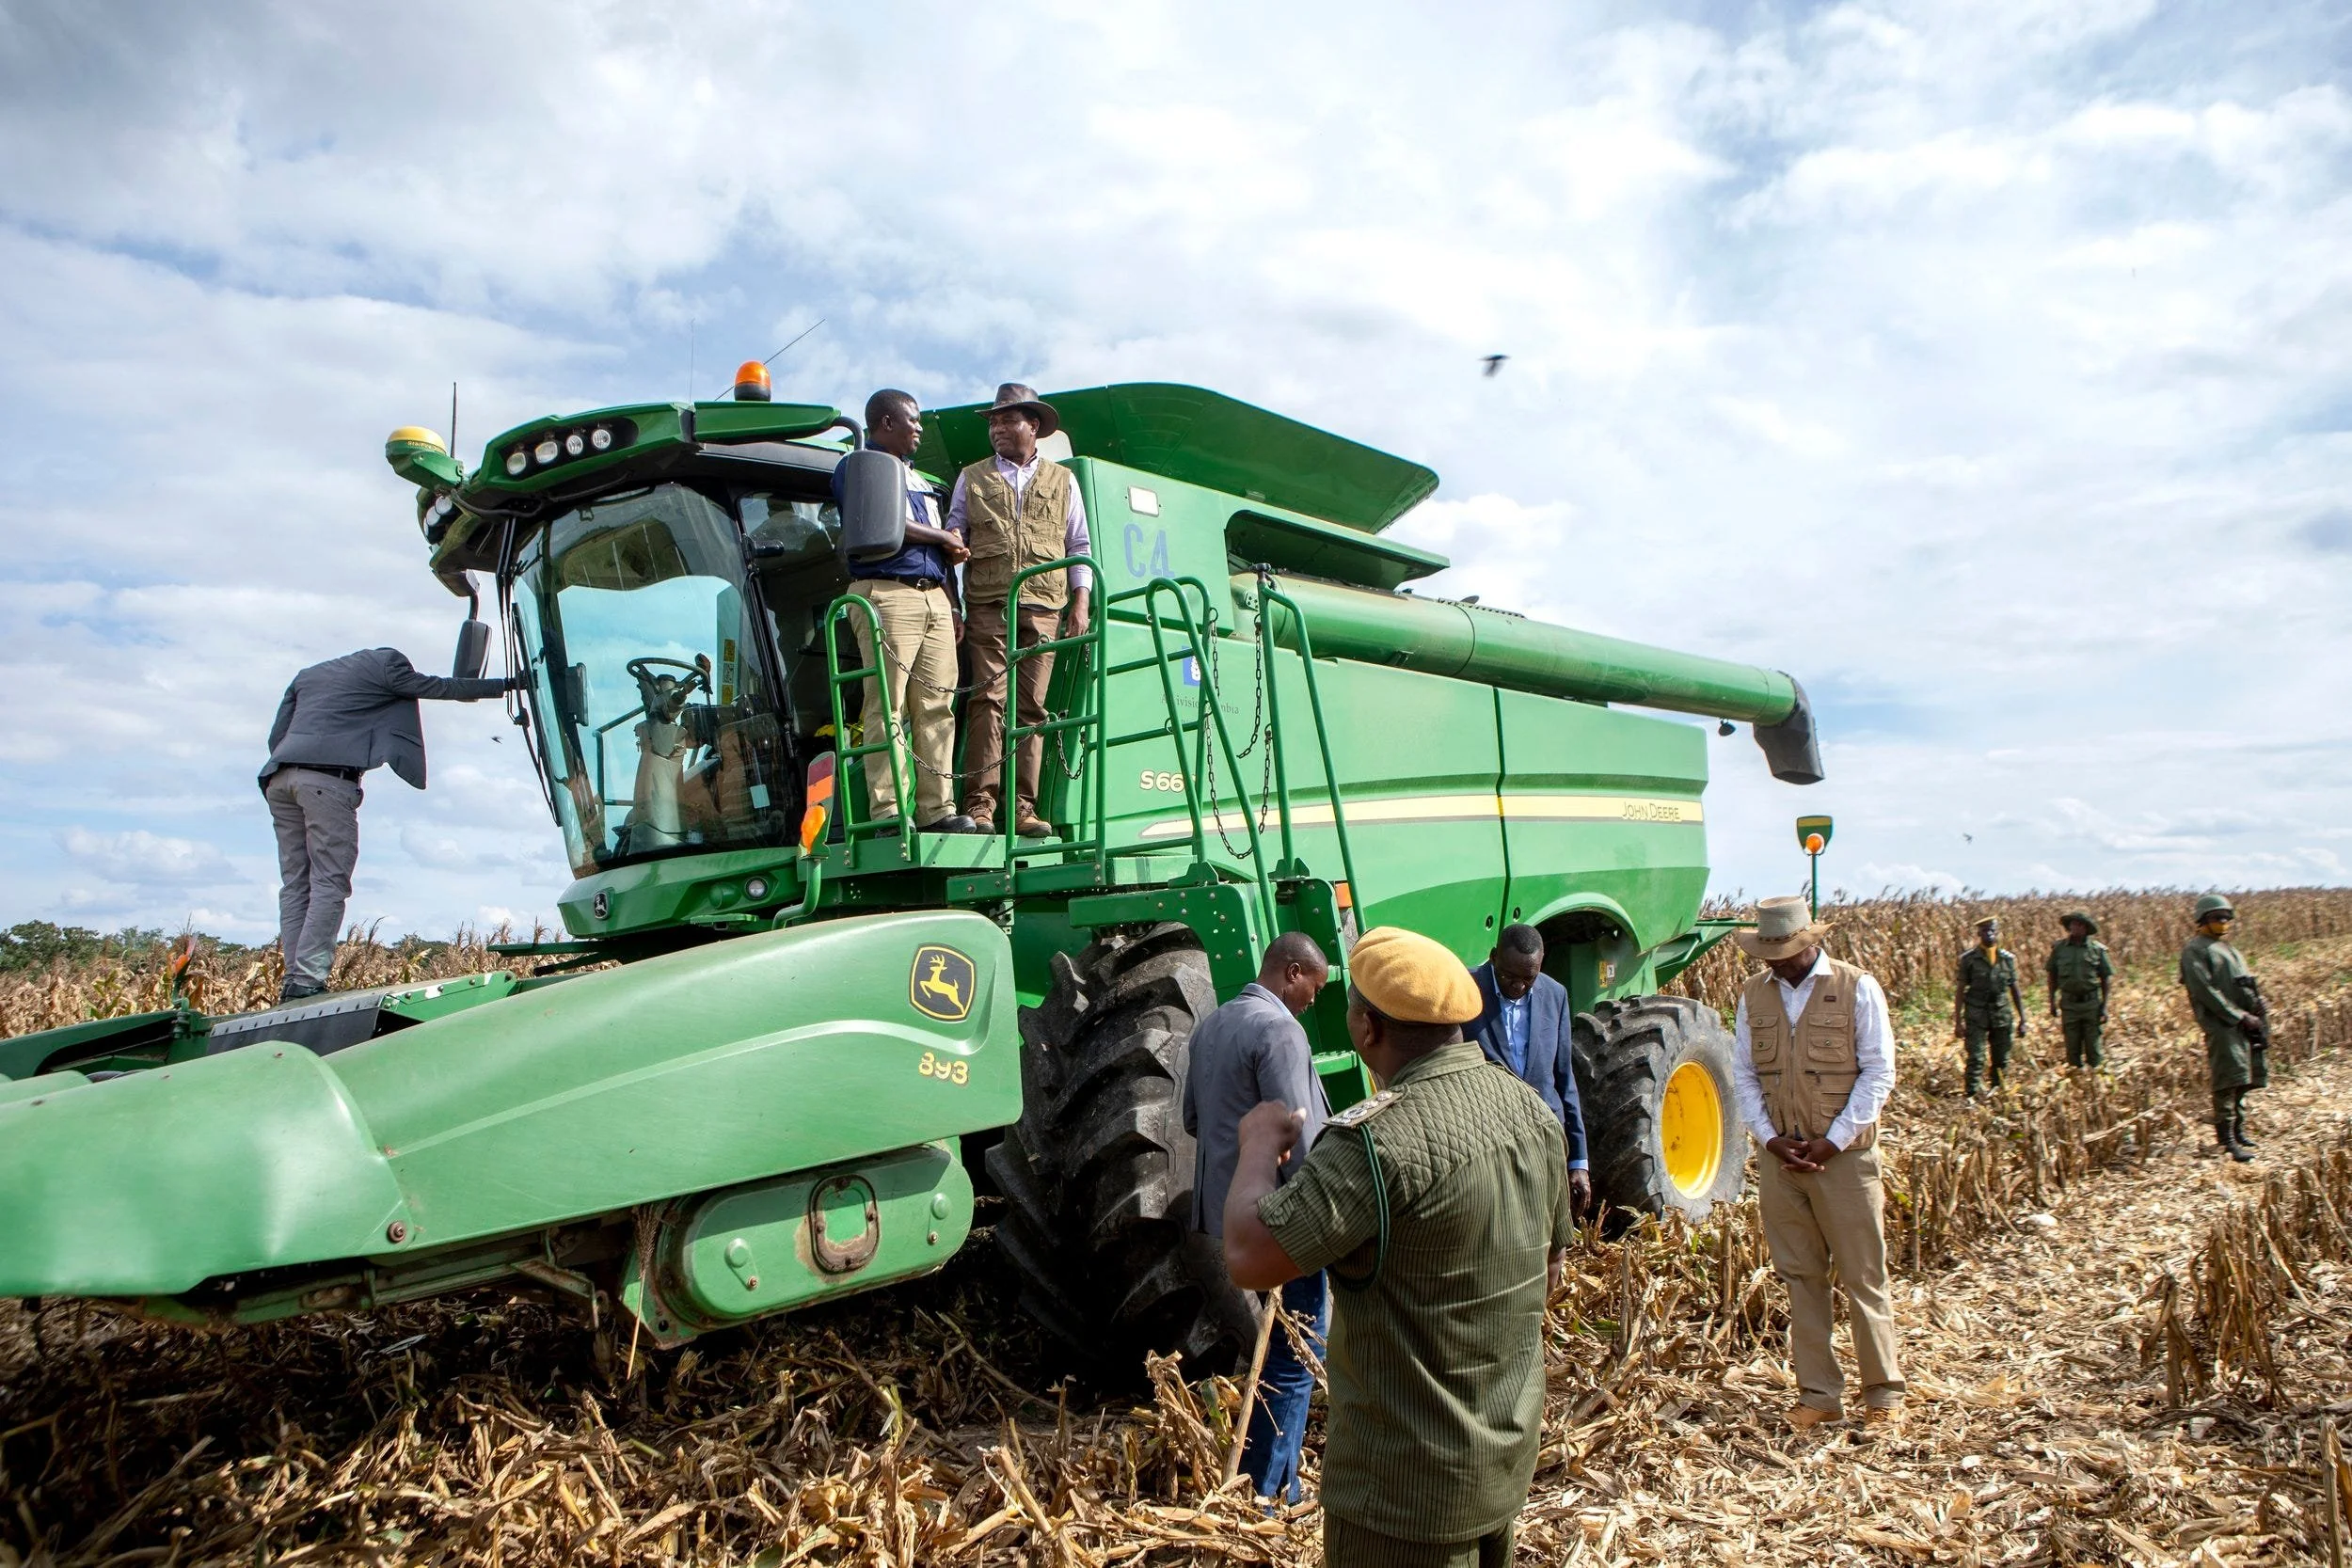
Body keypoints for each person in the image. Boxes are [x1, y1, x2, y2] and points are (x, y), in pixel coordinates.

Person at [1222, 927, 1574, 1567]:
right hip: (1501, 1466)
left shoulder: (1372, 1145)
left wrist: (1255, 1145)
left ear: (1366, 1028)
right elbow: (1549, 1271)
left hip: (1403, 1499)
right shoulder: (1533, 1115)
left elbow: (1248, 1255)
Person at [1729, 895, 1904, 1430]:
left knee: (1862, 1276)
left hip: (1844, 1161)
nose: (1775, 962)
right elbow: (1744, 1075)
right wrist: (1768, 1139)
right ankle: (1820, 1396)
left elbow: (1879, 1072)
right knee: (1801, 1277)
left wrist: (1834, 1139)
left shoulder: (1857, 987)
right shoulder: (1754, 995)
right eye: (1768, 953)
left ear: (1812, 943)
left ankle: (1883, 1395)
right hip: (1783, 1161)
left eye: (1785, 951)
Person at [260, 648, 513, 1001]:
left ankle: (293, 979)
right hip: (327, 781)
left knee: (296, 884)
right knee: (329, 881)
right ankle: (306, 979)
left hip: (279, 779)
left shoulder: (309, 675)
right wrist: (507, 685)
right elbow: (438, 687)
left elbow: (278, 737)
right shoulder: (387, 665)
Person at [1180, 931, 1333, 1503]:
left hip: (1227, 1211)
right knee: (1299, 1349)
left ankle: (1260, 1471)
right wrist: (1323, 1216)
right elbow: (1298, 1134)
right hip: (1282, 1214)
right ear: (1292, 971)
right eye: (1311, 991)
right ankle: (1272, 1490)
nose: (1311, 1004)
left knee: (1272, 1345)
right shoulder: (1280, 1031)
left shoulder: (1212, 1025)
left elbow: (1194, 1120)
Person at [944, 383, 1092, 838]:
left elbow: (1079, 545)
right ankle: (981, 806)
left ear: (1034, 426)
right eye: (993, 421)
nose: (998, 429)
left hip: (1046, 606)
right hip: (989, 606)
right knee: (988, 700)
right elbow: (952, 538)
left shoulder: (1062, 480)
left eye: (1008, 420)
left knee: (1031, 709)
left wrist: (1080, 603)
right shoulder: (972, 477)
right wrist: (953, 603)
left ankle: (1022, 809)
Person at [833, 389, 977, 836]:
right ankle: (890, 813)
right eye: (911, 421)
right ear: (885, 423)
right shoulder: (857, 468)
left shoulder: (923, 480)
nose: (918, 428)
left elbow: (941, 547)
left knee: (938, 705)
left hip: (934, 595)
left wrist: (952, 604)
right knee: (887, 706)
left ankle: (937, 811)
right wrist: (941, 537)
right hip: (887, 593)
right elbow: (884, 522)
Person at [1465, 924, 1592, 1218]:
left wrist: (1579, 1161)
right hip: (1490, 1143)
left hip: (1546, 1141)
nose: (1518, 986)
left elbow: (1564, 1080)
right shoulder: (1466, 989)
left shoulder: (1555, 994)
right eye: (1508, 976)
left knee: (1554, 1241)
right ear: (1494, 957)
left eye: (1528, 978)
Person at [2180, 894, 2265, 1164]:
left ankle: (2238, 1130)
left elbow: (2244, 982)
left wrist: (2258, 1005)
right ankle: (2226, 1140)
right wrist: (2237, 1015)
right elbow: (2205, 991)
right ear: (2203, 920)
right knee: (2227, 1080)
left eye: (2227, 917)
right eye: (2218, 918)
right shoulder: (2196, 950)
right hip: (2222, 1024)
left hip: (2243, 1022)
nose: (2224, 922)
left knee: (2243, 1078)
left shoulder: (2228, 949)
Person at [1952, 916, 2026, 1097]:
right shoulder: (1969, 959)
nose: (1989, 934)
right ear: (1979, 933)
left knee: (2001, 1056)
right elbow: (1961, 990)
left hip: (2001, 1013)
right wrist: (1957, 1021)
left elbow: (2014, 988)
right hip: (1976, 1013)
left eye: (1992, 930)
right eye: (1985, 930)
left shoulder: (2007, 959)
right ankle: (1971, 1092)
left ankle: (1997, 1090)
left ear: (1997, 932)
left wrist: (2023, 1019)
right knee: (1976, 1056)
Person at [2046, 910, 2114, 1070]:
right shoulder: (2059, 949)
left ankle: (2096, 1084)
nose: (2074, 927)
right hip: (2069, 1005)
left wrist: (2104, 1007)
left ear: (2085, 928)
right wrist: (2051, 1002)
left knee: (2094, 1048)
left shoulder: (2097, 950)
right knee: (2072, 1047)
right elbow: (2052, 976)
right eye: (2072, 924)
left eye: (2078, 924)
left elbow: (2106, 977)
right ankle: (2076, 1082)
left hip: (2091, 1004)